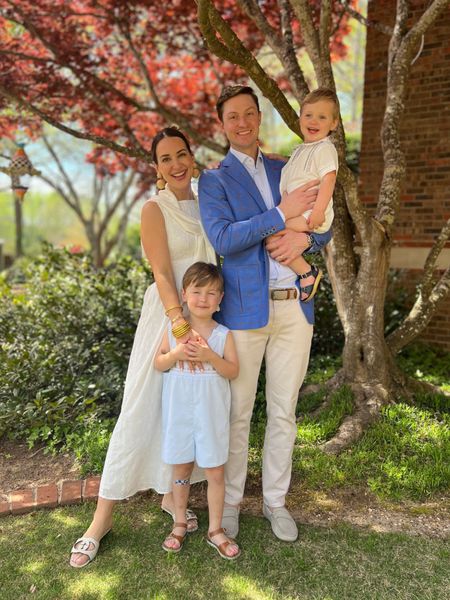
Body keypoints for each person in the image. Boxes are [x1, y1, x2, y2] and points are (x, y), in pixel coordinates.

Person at [69, 127, 217, 568]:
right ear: (156, 168)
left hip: (206, 318)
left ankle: (173, 502)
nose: (176, 164)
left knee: (186, 412)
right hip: (168, 319)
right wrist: (179, 323)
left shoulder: (209, 204)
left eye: (182, 154)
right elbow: (161, 271)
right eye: (166, 158)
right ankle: (100, 521)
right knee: (140, 409)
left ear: (192, 157)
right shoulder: (155, 209)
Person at [198, 84, 332, 543]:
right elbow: (224, 240)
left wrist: (307, 241)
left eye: (249, 113)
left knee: (284, 412)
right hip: (243, 312)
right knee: (237, 413)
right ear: (222, 124)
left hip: (296, 308)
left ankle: (275, 501)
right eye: (232, 116)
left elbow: (322, 218)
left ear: (259, 117)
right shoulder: (213, 181)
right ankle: (231, 502)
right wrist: (280, 214)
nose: (242, 122)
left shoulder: (288, 166)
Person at [154, 261, 240, 560]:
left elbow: (231, 370)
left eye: (211, 293)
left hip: (211, 414)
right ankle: (179, 521)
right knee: (181, 469)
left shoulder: (223, 334)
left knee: (215, 471)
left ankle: (215, 529)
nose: (203, 298)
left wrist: (209, 356)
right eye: (197, 291)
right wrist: (176, 353)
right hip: (180, 414)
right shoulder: (172, 330)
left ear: (220, 300)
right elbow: (159, 363)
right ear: (183, 294)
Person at [276, 87, 339, 301]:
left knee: (270, 230)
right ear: (300, 117)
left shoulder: (325, 149)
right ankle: (305, 272)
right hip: (298, 212)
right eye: (308, 115)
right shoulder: (302, 149)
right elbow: (295, 172)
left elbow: (329, 180)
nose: (314, 121)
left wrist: (319, 211)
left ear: (334, 123)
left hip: (312, 214)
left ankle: (306, 273)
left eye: (322, 117)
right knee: (272, 236)